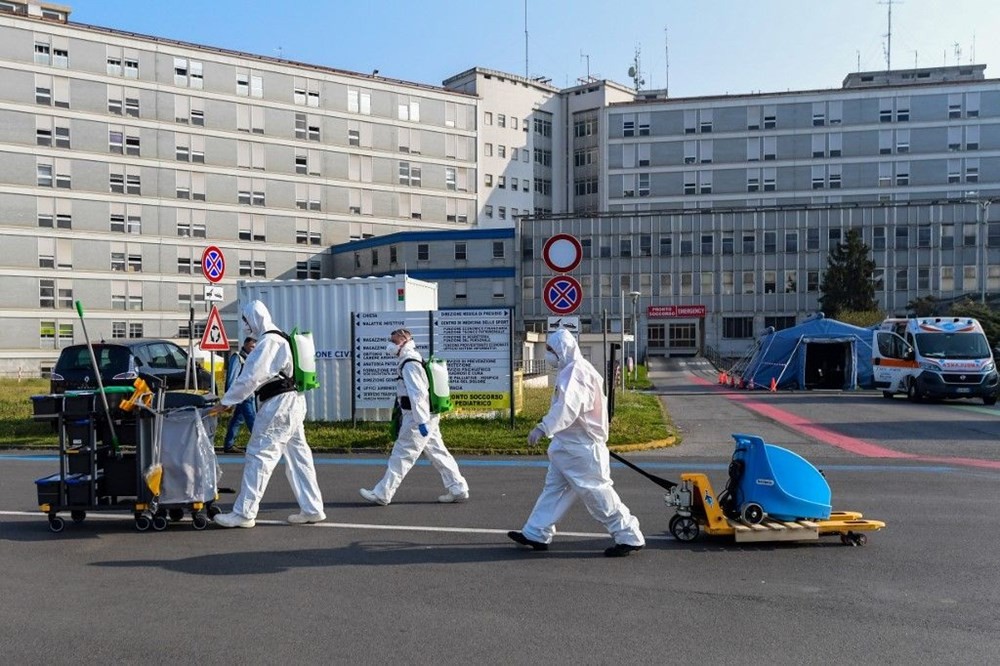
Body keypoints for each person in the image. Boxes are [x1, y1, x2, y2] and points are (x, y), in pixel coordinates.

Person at [508, 328, 645, 557]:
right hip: (569, 447)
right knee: (554, 490)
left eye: (551, 350)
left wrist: (543, 427)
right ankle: (536, 532)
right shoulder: (573, 370)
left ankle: (628, 535)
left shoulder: (575, 372)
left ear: (562, 350)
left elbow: (567, 408)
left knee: (596, 493)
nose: (548, 355)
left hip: (580, 449)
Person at [211, 300, 326, 528]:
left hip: (278, 405)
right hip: (292, 403)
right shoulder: (281, 337)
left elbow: (250, 377)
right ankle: (312, 508)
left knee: (259, 455)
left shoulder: (268, 342)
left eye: (245, 321)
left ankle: (244, 513)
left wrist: (226, 402)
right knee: (299, 457)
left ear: (254, 318)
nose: (245, 327)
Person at [360, 328, 469, 506]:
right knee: (438, 452)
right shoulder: (411, 359)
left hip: (417, 418)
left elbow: (418, 394)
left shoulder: (410, 362)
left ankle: (382, 493)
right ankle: (458, 487)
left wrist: (420, 422)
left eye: (394, 341)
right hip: (425, 416)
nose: (390, 344)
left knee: (402, 455)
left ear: (404, 340)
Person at [221, 336, 256, 454]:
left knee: (237, 420)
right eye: (251, 346)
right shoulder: (238, 358)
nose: (253, 349)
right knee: (253, 421)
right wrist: (230, 397)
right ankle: (259, 445)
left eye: (254, 347)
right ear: (245, 345)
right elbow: (232, 377)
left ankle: (229, 444)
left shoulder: (250, 359)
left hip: (248, 394)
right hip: (243, 396)